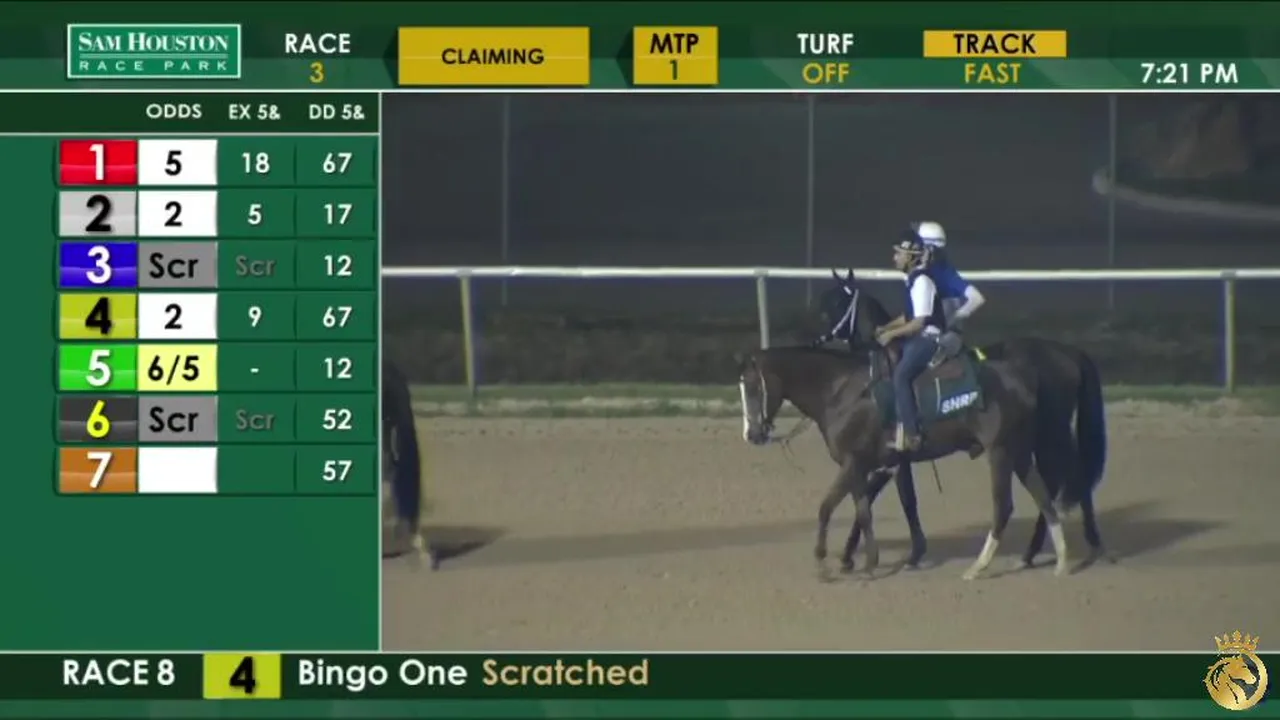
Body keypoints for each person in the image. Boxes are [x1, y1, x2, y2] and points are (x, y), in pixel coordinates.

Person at [875, 232, 947, 452]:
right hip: (919, 336)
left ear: (911, 257)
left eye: (899, 254)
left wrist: (891, 335)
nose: (894, 258)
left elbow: (918, 323)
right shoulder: (914, 280)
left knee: (901, 376)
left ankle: (913, 434)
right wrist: (886, 327)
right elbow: (907, 316)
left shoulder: (922, 281)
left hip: (929, 339)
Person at [913, 222, 985, 365]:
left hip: (940, 339)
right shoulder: (922, 270)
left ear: (929, 248)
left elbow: (977, 298)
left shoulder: (945, 274)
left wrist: (954, 318)